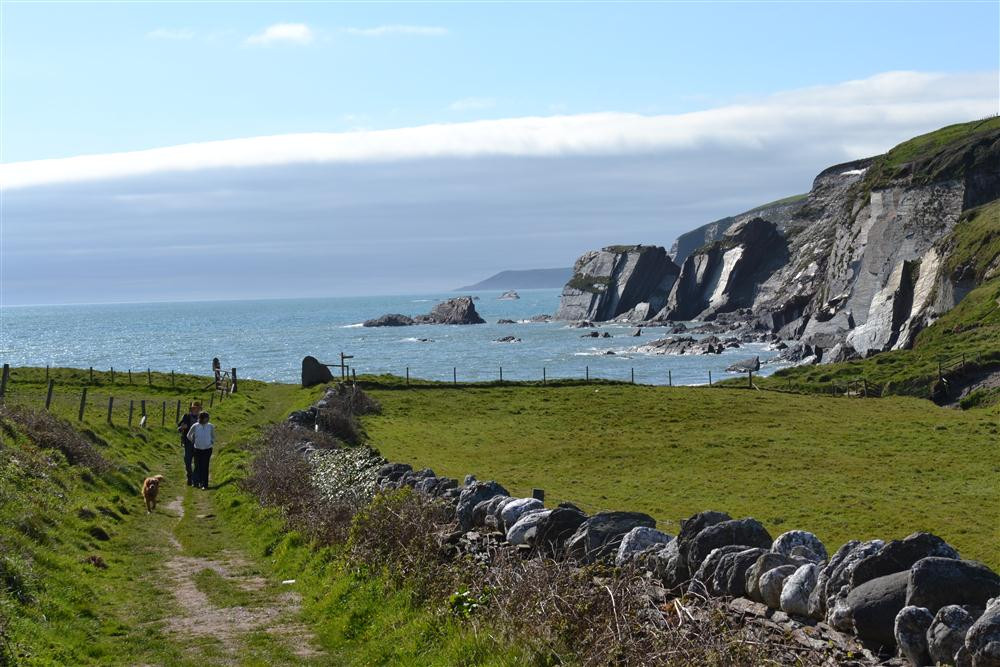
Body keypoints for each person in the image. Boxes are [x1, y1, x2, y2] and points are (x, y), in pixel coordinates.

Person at [186, 411, 215, 490]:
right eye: (206, 418)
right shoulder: (195, 426)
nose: (208, 419)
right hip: (197, 449)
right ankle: (196, 482)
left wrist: (211, 442)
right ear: (201, 418)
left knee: (205, 466)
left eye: (208, 418)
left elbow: (213, 436)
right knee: (197, 465)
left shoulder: (210, 426)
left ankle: (204, 484)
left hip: (207, 449)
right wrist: (193, 440)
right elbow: (188, 435)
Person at [176, 401, 202, 486]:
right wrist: (182, 427)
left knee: (198, 462)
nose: (196, 410)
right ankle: (189, 476)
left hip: (199, 443)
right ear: (191, 409)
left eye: (197, 408)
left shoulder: (202, 417)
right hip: (188, 443)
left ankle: (195, 480)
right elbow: (178, 428)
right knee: (187, 461)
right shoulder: (186, 416)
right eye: (194, 408)